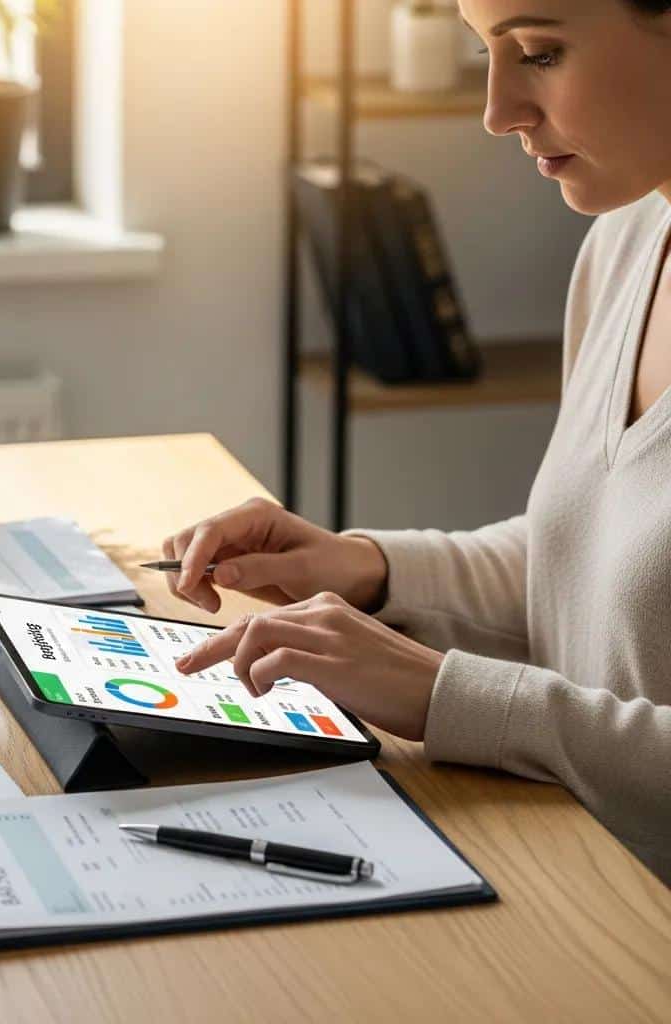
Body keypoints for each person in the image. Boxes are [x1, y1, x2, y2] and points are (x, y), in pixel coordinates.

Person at [166, 0, 671, 884]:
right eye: (484, 53)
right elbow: (599, 568)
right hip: (582, 869)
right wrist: (369, 570)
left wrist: (447, 695)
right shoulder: (625, 245)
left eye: (540, 53)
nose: (497, 110)